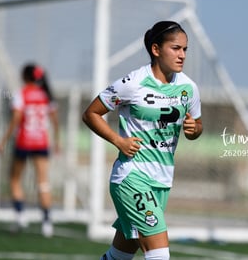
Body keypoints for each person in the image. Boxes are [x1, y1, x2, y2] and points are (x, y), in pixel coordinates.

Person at [83, 21, 203, 260]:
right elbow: (91, 114)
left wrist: (194, 129)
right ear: (156, 50)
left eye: (185, 50)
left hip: (161, 181)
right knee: (159, 254)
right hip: (132, 177)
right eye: (176, 48)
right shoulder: (133, 83)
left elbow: (197, 126)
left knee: (120, 255)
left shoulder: (189, 88)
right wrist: (119, 141)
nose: (182, 55)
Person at [0, 63, 59, 238]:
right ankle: (47, 222)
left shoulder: (21, 94)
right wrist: (57, 142)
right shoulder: (46, 95)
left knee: (15, 179)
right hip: (41, 143)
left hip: (24, 142)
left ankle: (20, 216)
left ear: (25, 77)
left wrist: (3, 141)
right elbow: (54, 121)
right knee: (43, 183)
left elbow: (16, 119)